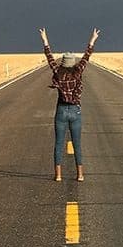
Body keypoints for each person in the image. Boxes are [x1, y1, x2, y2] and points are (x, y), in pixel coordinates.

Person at [39, 26, 100, 182]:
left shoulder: (58, 72)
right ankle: (80, 175)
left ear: (63, 63)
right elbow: (86, 57)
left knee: (58, 144)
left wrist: (45, 40)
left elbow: (49, 58)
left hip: (61, 110)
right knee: (77, 144)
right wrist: (92, 40)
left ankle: (58, 175)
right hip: (75, 111)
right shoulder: (77, 71)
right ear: (72, 63)